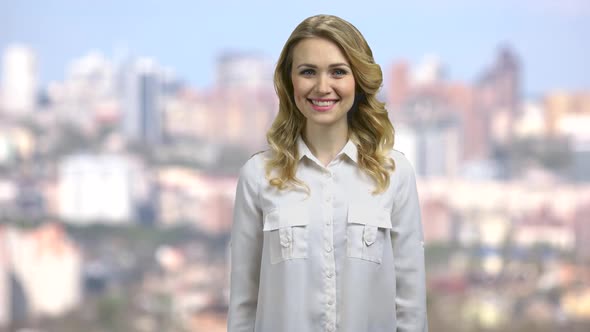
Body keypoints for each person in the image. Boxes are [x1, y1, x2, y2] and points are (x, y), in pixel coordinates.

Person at [228, 14, 428, 332]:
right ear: (289, 80)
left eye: (338, 72)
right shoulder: (257, 176)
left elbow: (411, 309)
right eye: (308, 72)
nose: (323, 87)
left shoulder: (395, 174)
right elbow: (243, 306)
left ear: (357, 80)